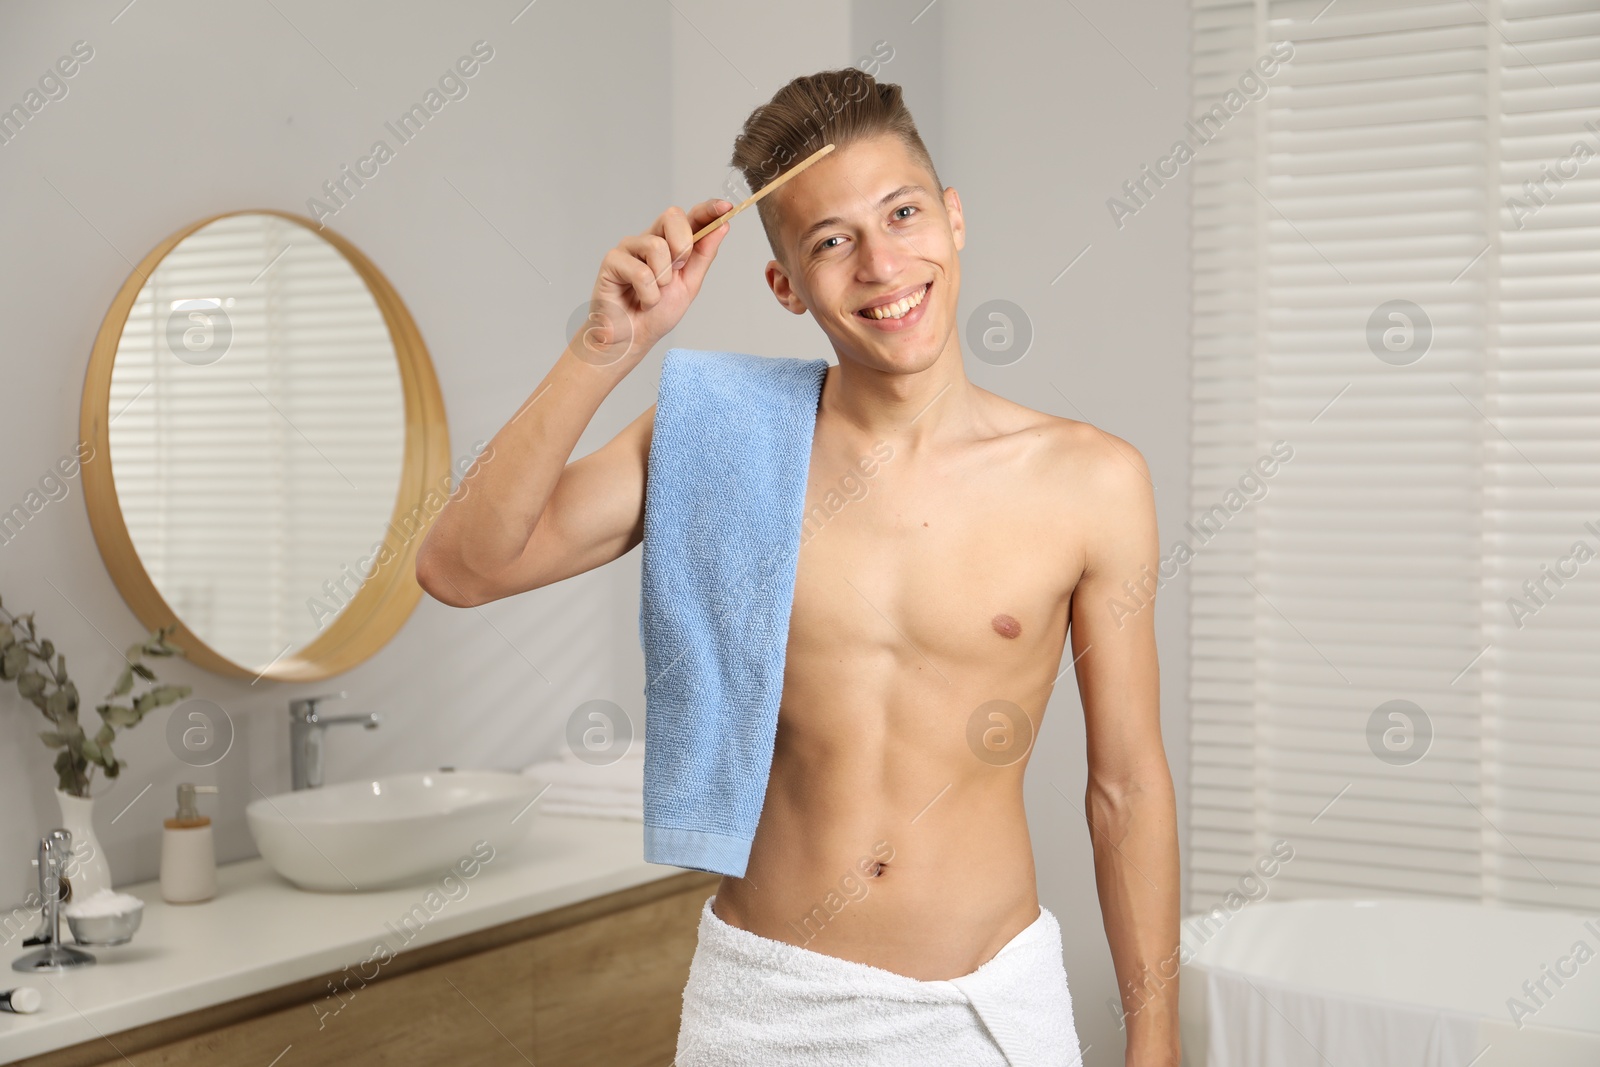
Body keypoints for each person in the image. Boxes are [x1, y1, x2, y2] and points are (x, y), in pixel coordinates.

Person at [416, 68, 1179, 1067]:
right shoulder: (711, 440)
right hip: (767, 1005)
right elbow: (461, 566)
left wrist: (1154, 1041)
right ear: (785, 285)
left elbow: (1124, 785)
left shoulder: (1091, 481)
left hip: (987, 1007)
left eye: (903, 213)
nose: (881, 262)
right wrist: (608, 345)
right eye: (831, 241)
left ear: (952, 220)